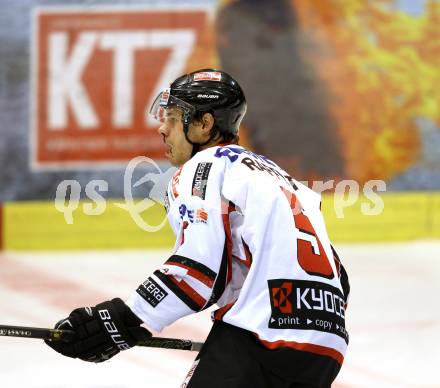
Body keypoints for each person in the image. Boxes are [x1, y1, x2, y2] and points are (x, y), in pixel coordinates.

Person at [45, 69, 350, 387]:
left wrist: (124, 320)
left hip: (261, 337)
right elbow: (339, 279)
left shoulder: (205, 167)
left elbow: (200, 269)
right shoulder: (282, 178)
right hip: (326, 346)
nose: (162, 129)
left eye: (173, 118)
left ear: (204, 124)